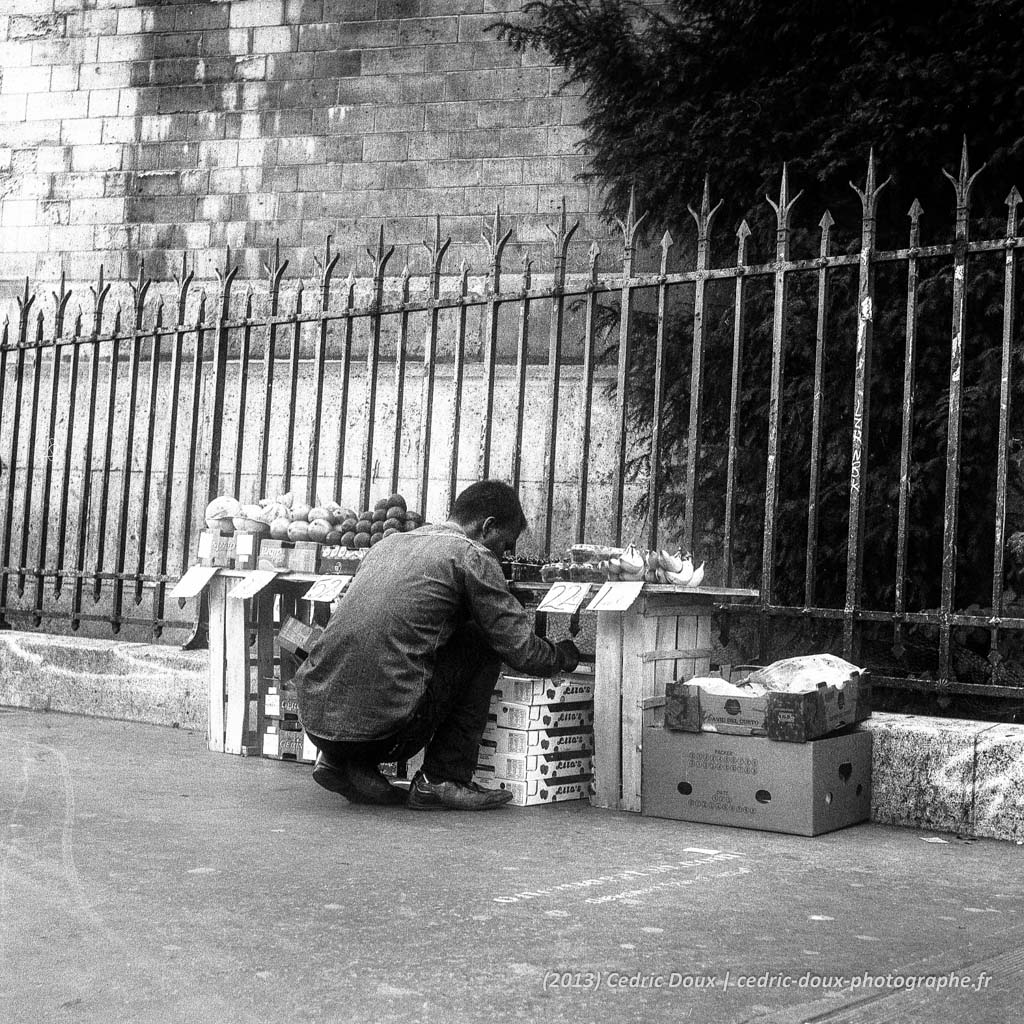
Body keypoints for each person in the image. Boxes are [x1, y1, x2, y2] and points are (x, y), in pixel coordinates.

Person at [294, 480, 580, 811]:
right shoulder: (472, 555)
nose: (501, 555)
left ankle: (338, 760)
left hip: (316, 721)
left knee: (398, 644)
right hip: (390, 730)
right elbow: (520, 650)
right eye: (504, 544)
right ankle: (443, 777)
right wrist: (561, 655)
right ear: (487, 527)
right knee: (481, 640)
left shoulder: (388, 545)